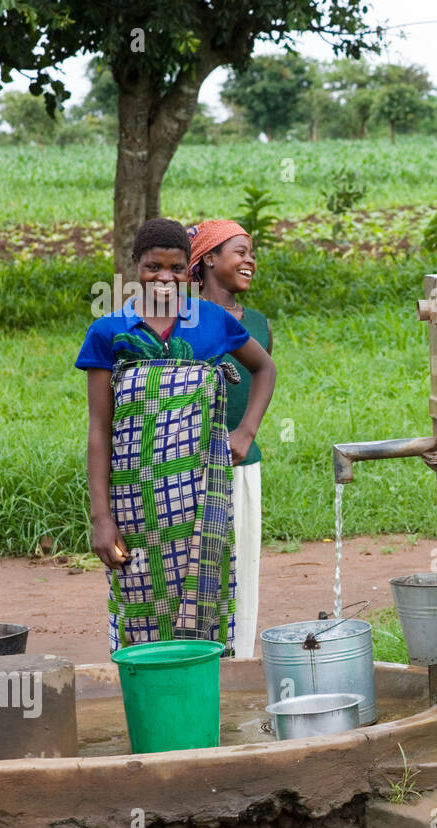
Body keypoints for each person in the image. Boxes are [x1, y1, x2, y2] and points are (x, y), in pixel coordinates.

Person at [77, 218, 277, 654]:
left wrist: (246, 431)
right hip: (134, 501)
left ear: (192, 269)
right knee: (138, 599)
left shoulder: (212, 322)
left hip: (201, 492)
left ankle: (209, 695)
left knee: (207, 593)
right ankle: (149, 696)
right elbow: (99, 429)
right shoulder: (110, 332)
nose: (164, 278)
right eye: (152, 267)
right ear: (134, 266)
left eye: (175, 268)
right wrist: (101, 516)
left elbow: (264, 368)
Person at [187, 220, 272, 658]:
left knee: (240, 568)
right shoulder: (183, 318)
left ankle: (237, 662)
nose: (249, 260)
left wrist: (245, 433)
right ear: (207, 261)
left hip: (241, 463)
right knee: (195, 570)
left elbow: (262, 375)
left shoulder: (256, 323)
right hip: (187, 466)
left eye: (251, 252)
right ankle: (196, 657)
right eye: (239, 252)